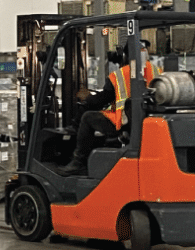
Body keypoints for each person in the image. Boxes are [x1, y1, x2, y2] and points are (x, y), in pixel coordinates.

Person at [59, 40, 155, 176]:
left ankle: (78, 162)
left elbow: (100, 100)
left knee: (87, 118)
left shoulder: (120, 75)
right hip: (146, 119)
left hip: (124, 122)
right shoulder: (156, 71)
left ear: (125, 56)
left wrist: (87, 99)